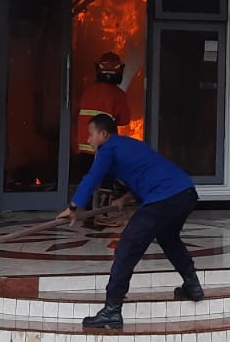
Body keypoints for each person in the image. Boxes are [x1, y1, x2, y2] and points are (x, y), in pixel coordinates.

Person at [56, 112, 203, 329]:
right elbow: (146, 174)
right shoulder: (130, 145)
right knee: (169, 238)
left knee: (126, 247)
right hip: (186, 193)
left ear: (103, 134)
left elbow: (93, 177)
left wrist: (73, 206)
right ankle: (192, 285)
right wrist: (124, 199)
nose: (88, 140)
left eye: (90, 135)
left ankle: (112, 310)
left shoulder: (107, 149)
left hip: (163, 197)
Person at [71, 52, 131, 186]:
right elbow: (125, 120)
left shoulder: (87, 91)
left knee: (86, 185)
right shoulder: (118, 95)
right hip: (103, 149)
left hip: (83, 150)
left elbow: (75, 115)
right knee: (104, 187)